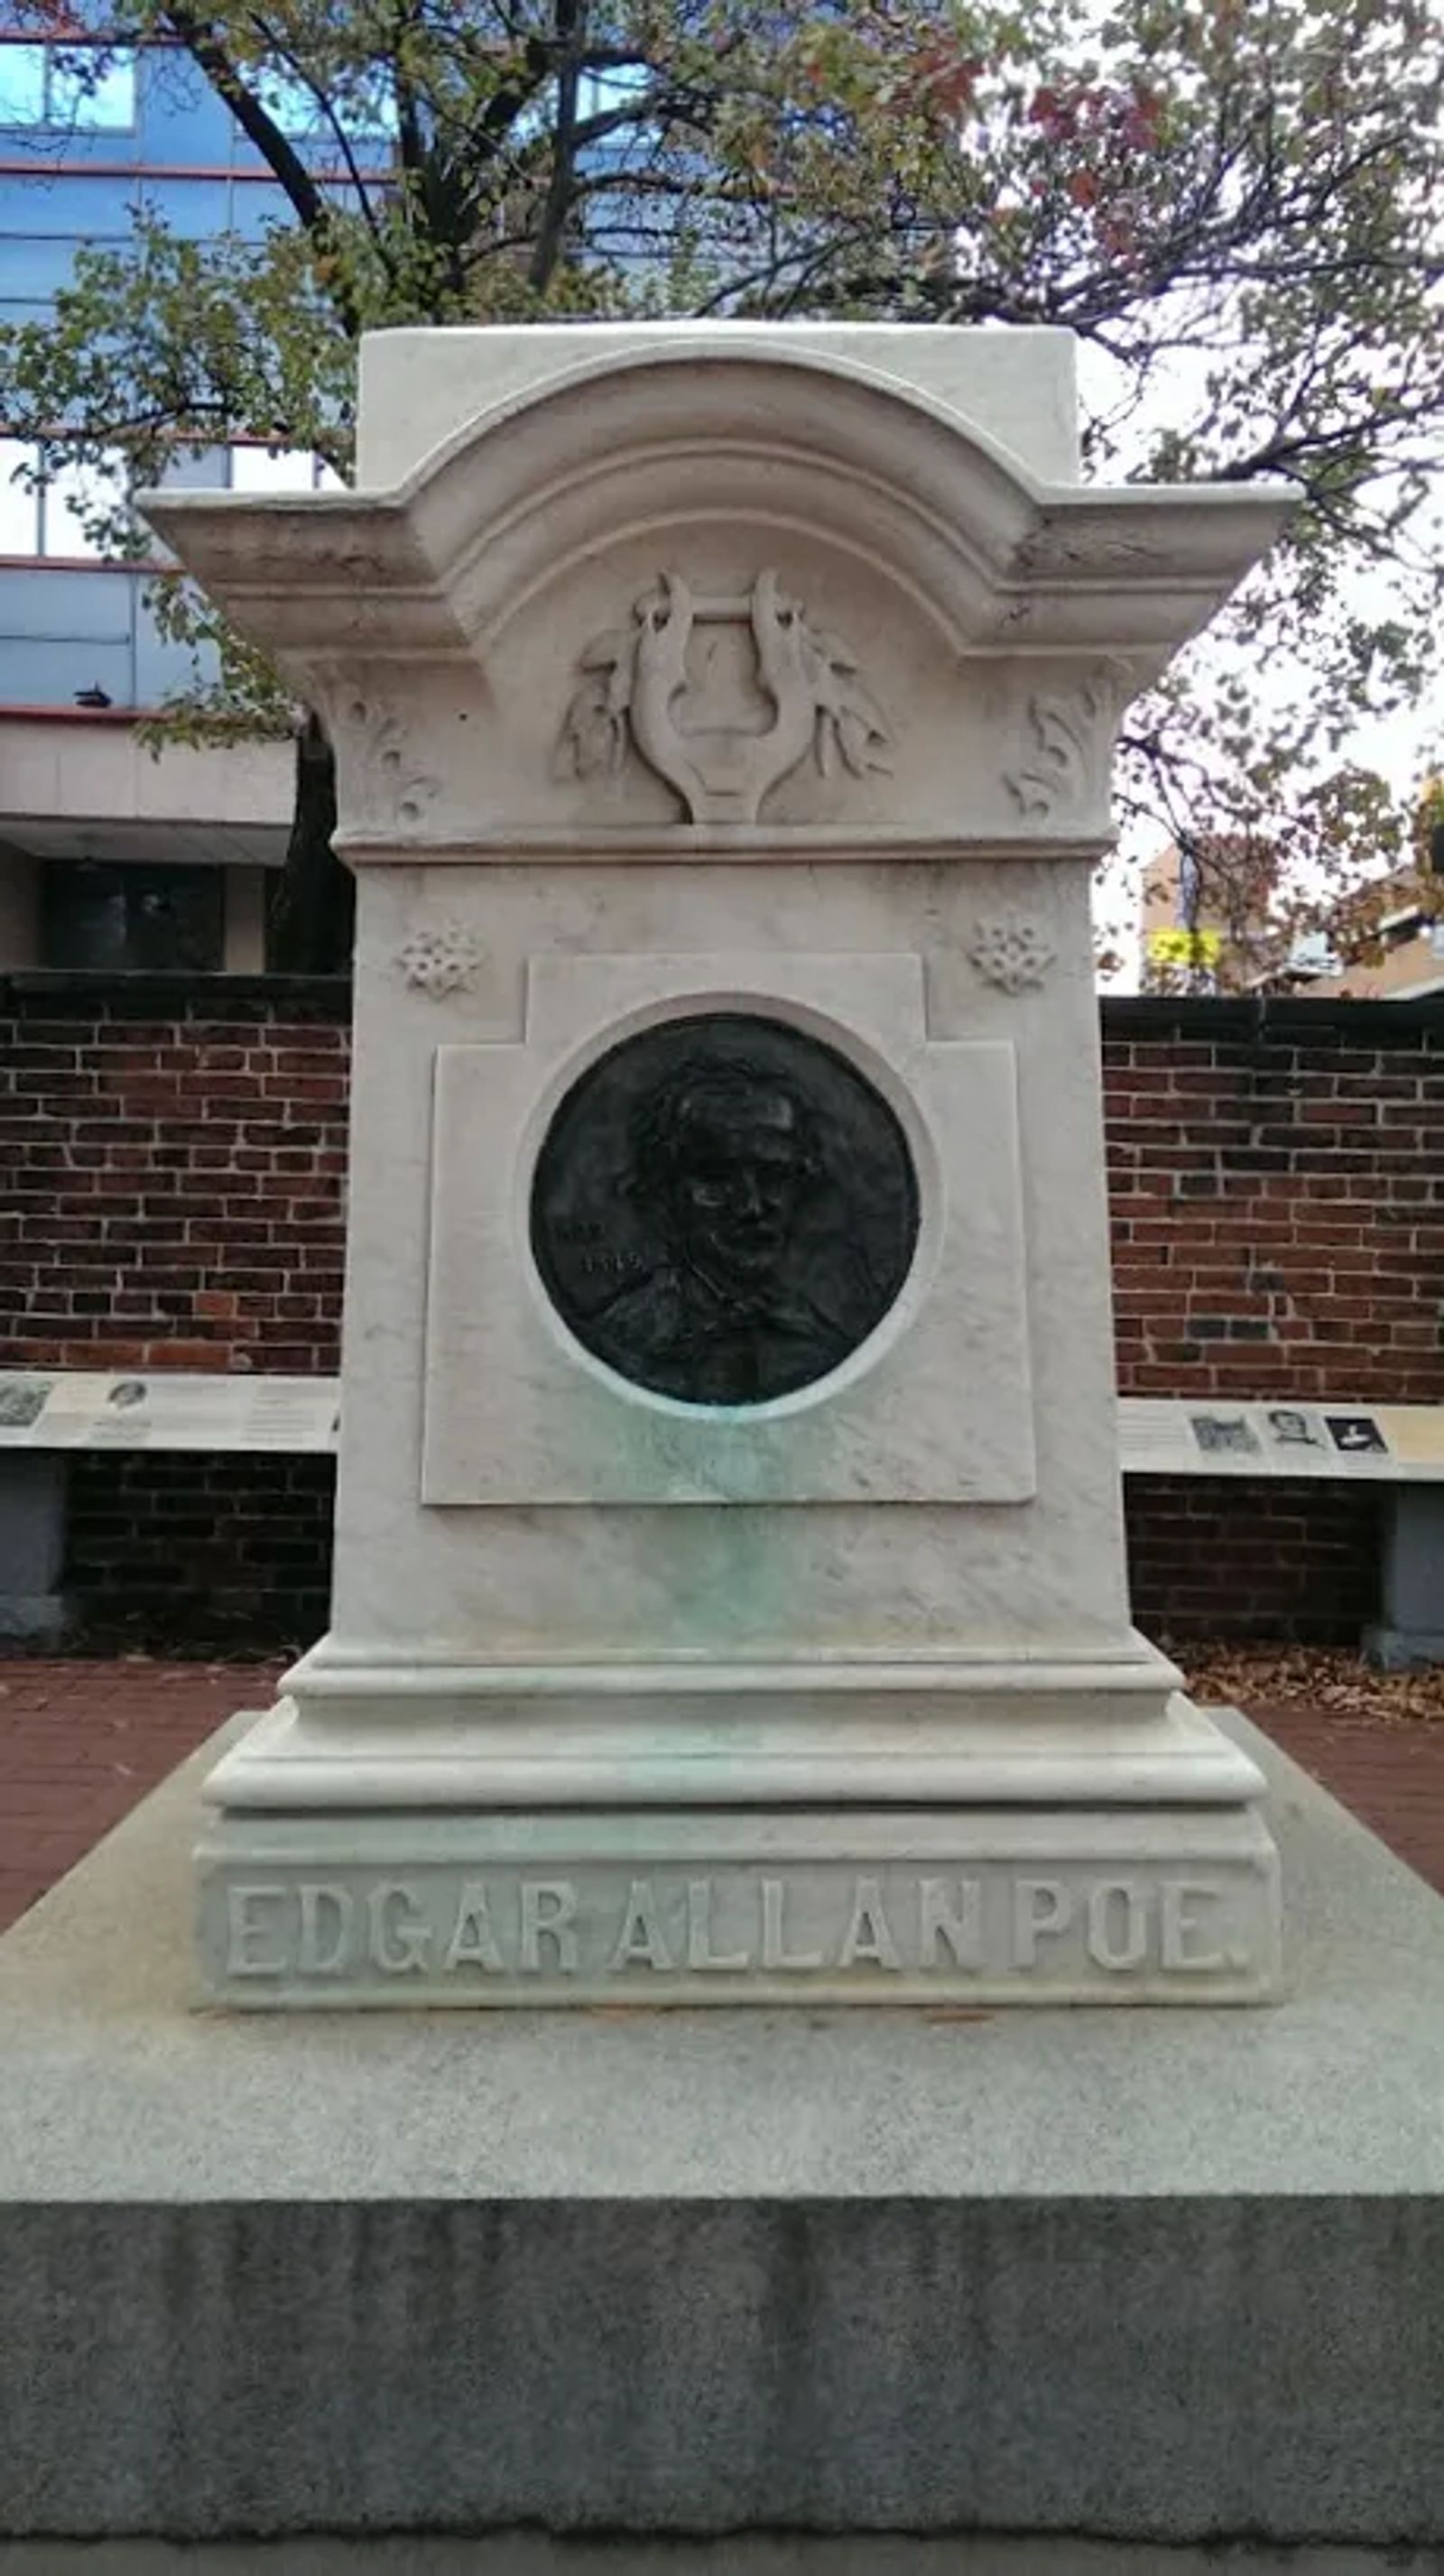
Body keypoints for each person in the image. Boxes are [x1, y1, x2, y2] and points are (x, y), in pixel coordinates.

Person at [595, 1055, 853, 1403]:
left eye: (775, 1176)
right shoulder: (623, 1339)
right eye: (717, 1178)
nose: (752, 1206)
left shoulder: (823, 1345)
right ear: (660, 1198)